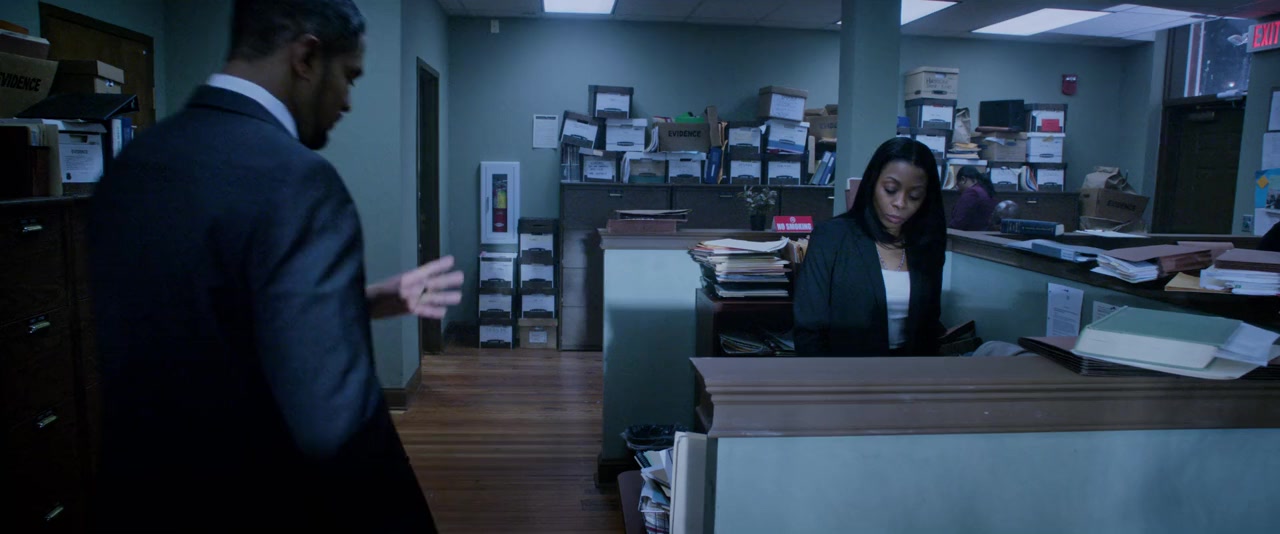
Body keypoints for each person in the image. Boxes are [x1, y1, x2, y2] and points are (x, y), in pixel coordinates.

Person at [85, 1, 462, 531]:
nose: (347, 101)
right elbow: (335, 426)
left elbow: (205, 323)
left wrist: (361, 303)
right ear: (306, 57)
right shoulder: (298, 182)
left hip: (140, 500)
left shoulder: (132, 166)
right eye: (349, 76)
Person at [794, 137, 948, 356]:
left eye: (914, 196)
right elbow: (809, 329)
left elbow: (929, 328)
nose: (900, 203)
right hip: (843, 370)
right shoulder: (832, 237)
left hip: (910, 371)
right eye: (890, 189)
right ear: (872, 183)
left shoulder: (928, 244)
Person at [947, 165, 998, 231]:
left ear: (963, 179)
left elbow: (959, 221)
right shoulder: (985, 189)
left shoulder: (972, 193)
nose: (958, 189)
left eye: (958, 184)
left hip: (969, 234)